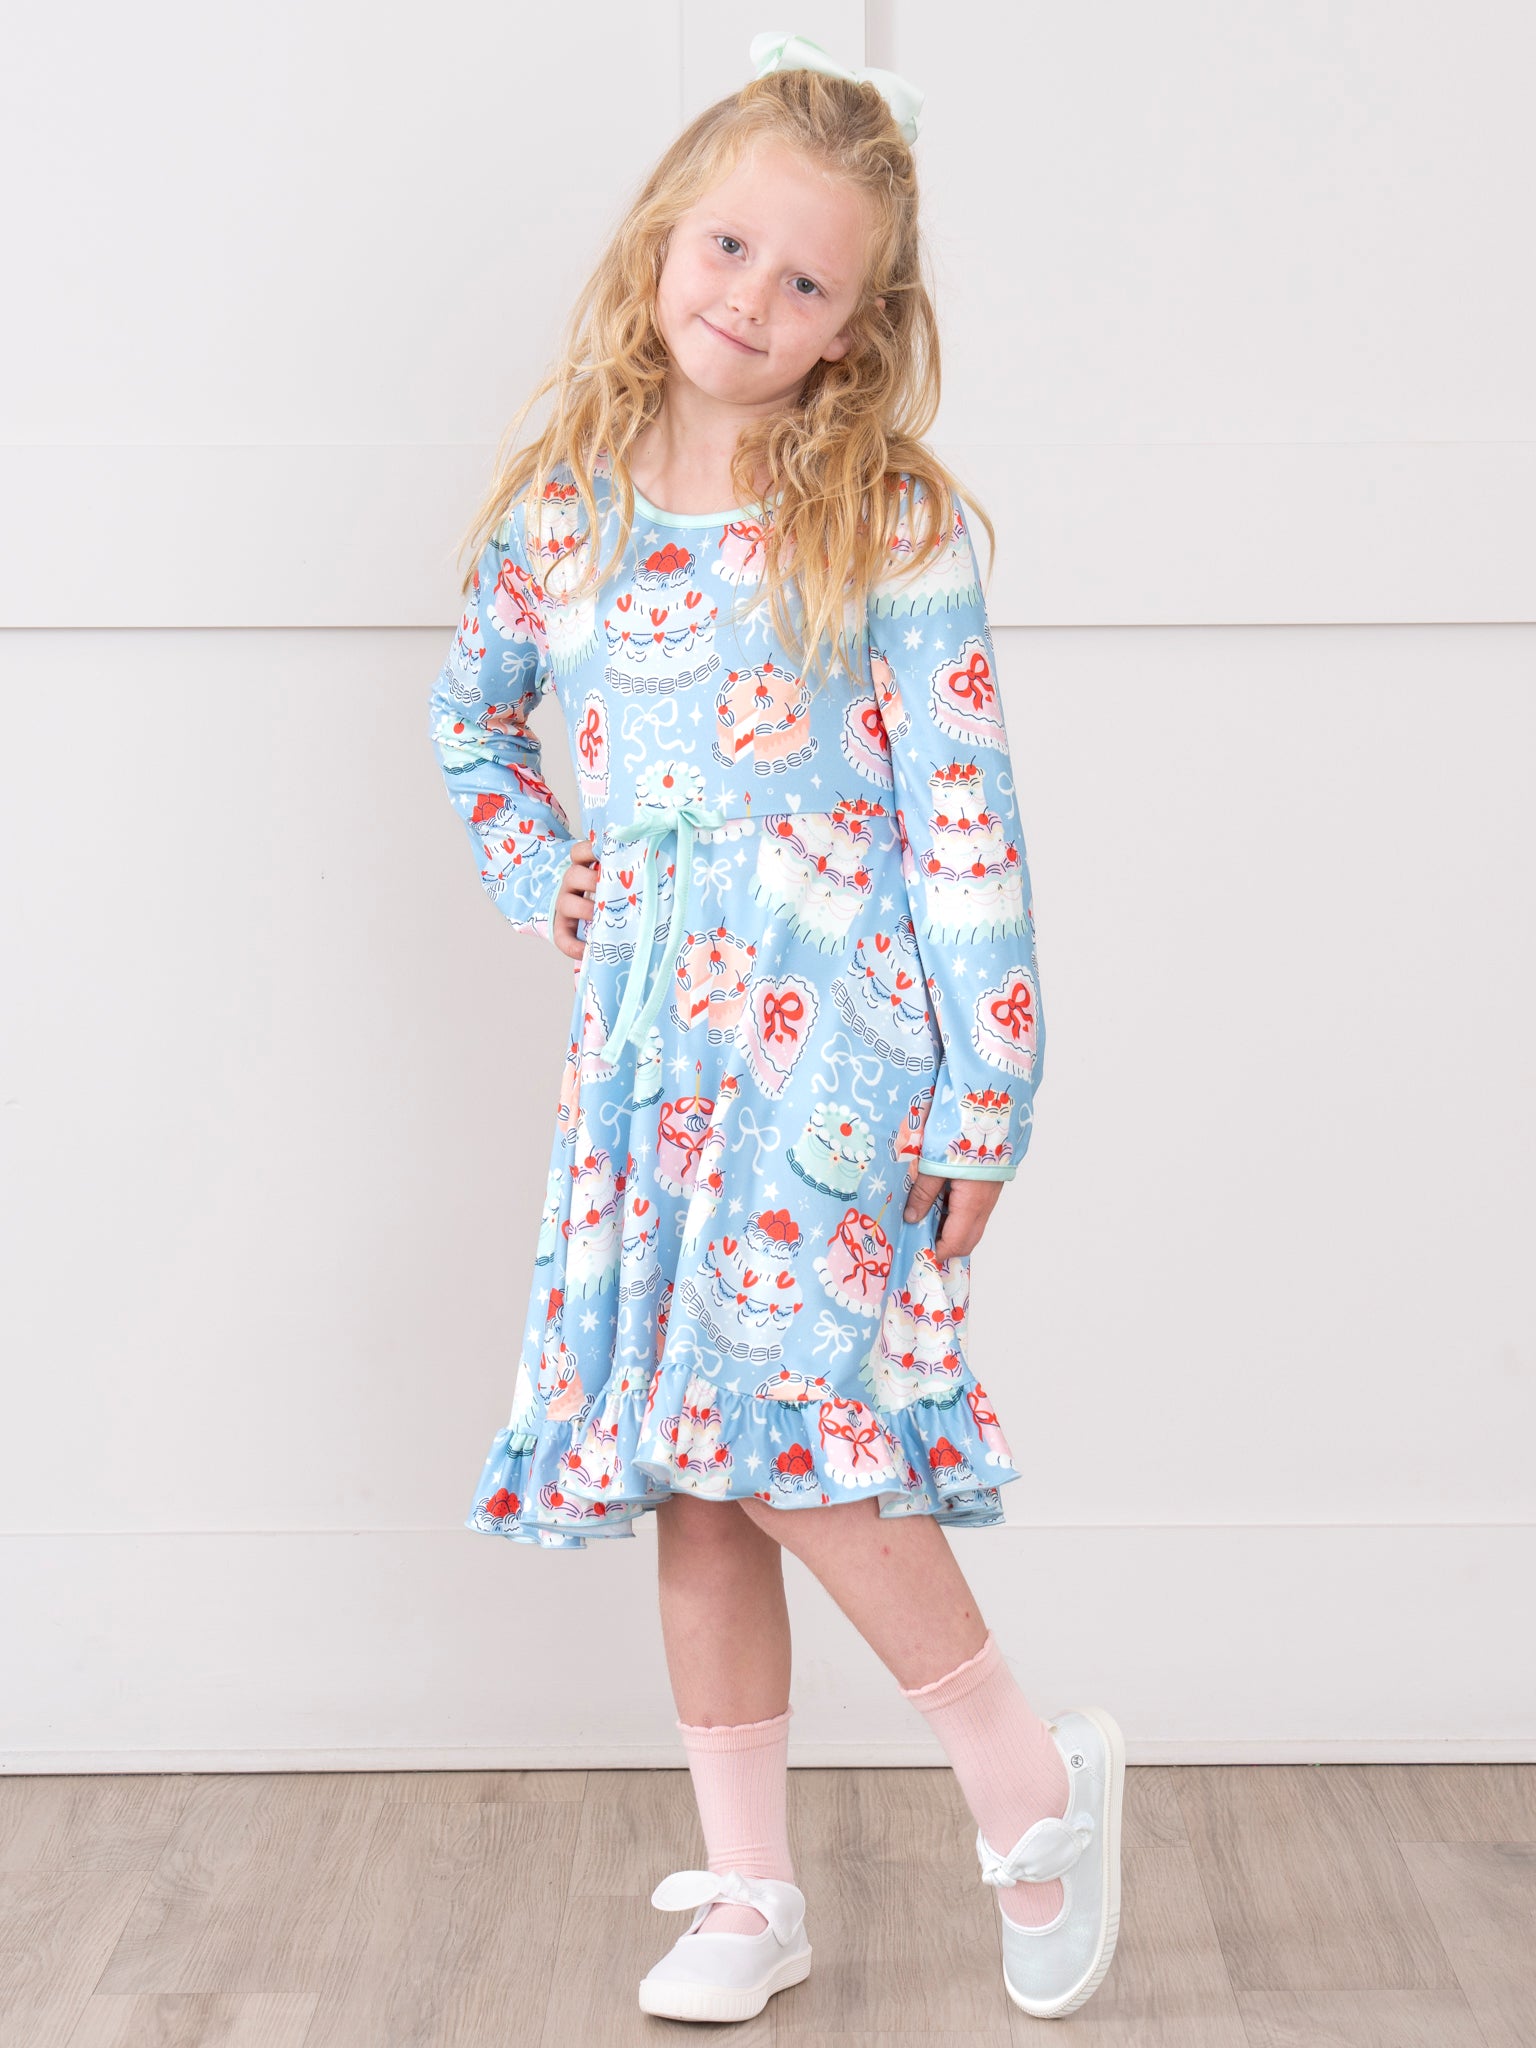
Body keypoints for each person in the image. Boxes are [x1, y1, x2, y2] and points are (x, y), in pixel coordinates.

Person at [427, 29, 1124, 2026]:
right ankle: (753, 1891)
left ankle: (1028, 1789)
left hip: (840, 1048)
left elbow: (965, 809)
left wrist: (988, 1092)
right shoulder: (563, 513)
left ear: (856, 327)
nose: (749, 297)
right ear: (665, 232)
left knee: (806, 1444)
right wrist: (542, 869)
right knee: (697, 1471)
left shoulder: (885, 518)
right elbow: (473, 722)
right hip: (650, 1056)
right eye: (728, 246)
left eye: (805, 280)